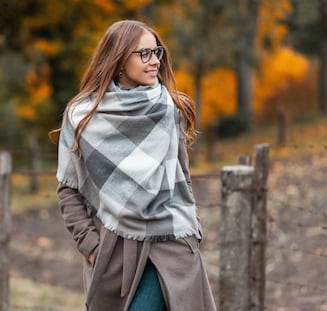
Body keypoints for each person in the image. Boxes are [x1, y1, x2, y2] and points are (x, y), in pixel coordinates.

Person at [53, 19, 216, 311]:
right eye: (144, 54)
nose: (154, 61)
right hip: (117, 250)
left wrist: (193, 230)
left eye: (157, 52)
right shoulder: (81, 117)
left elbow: (182, 176)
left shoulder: (170, 109)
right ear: (117, 59)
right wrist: (92, 248)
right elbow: (69, 189)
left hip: (174, 242)